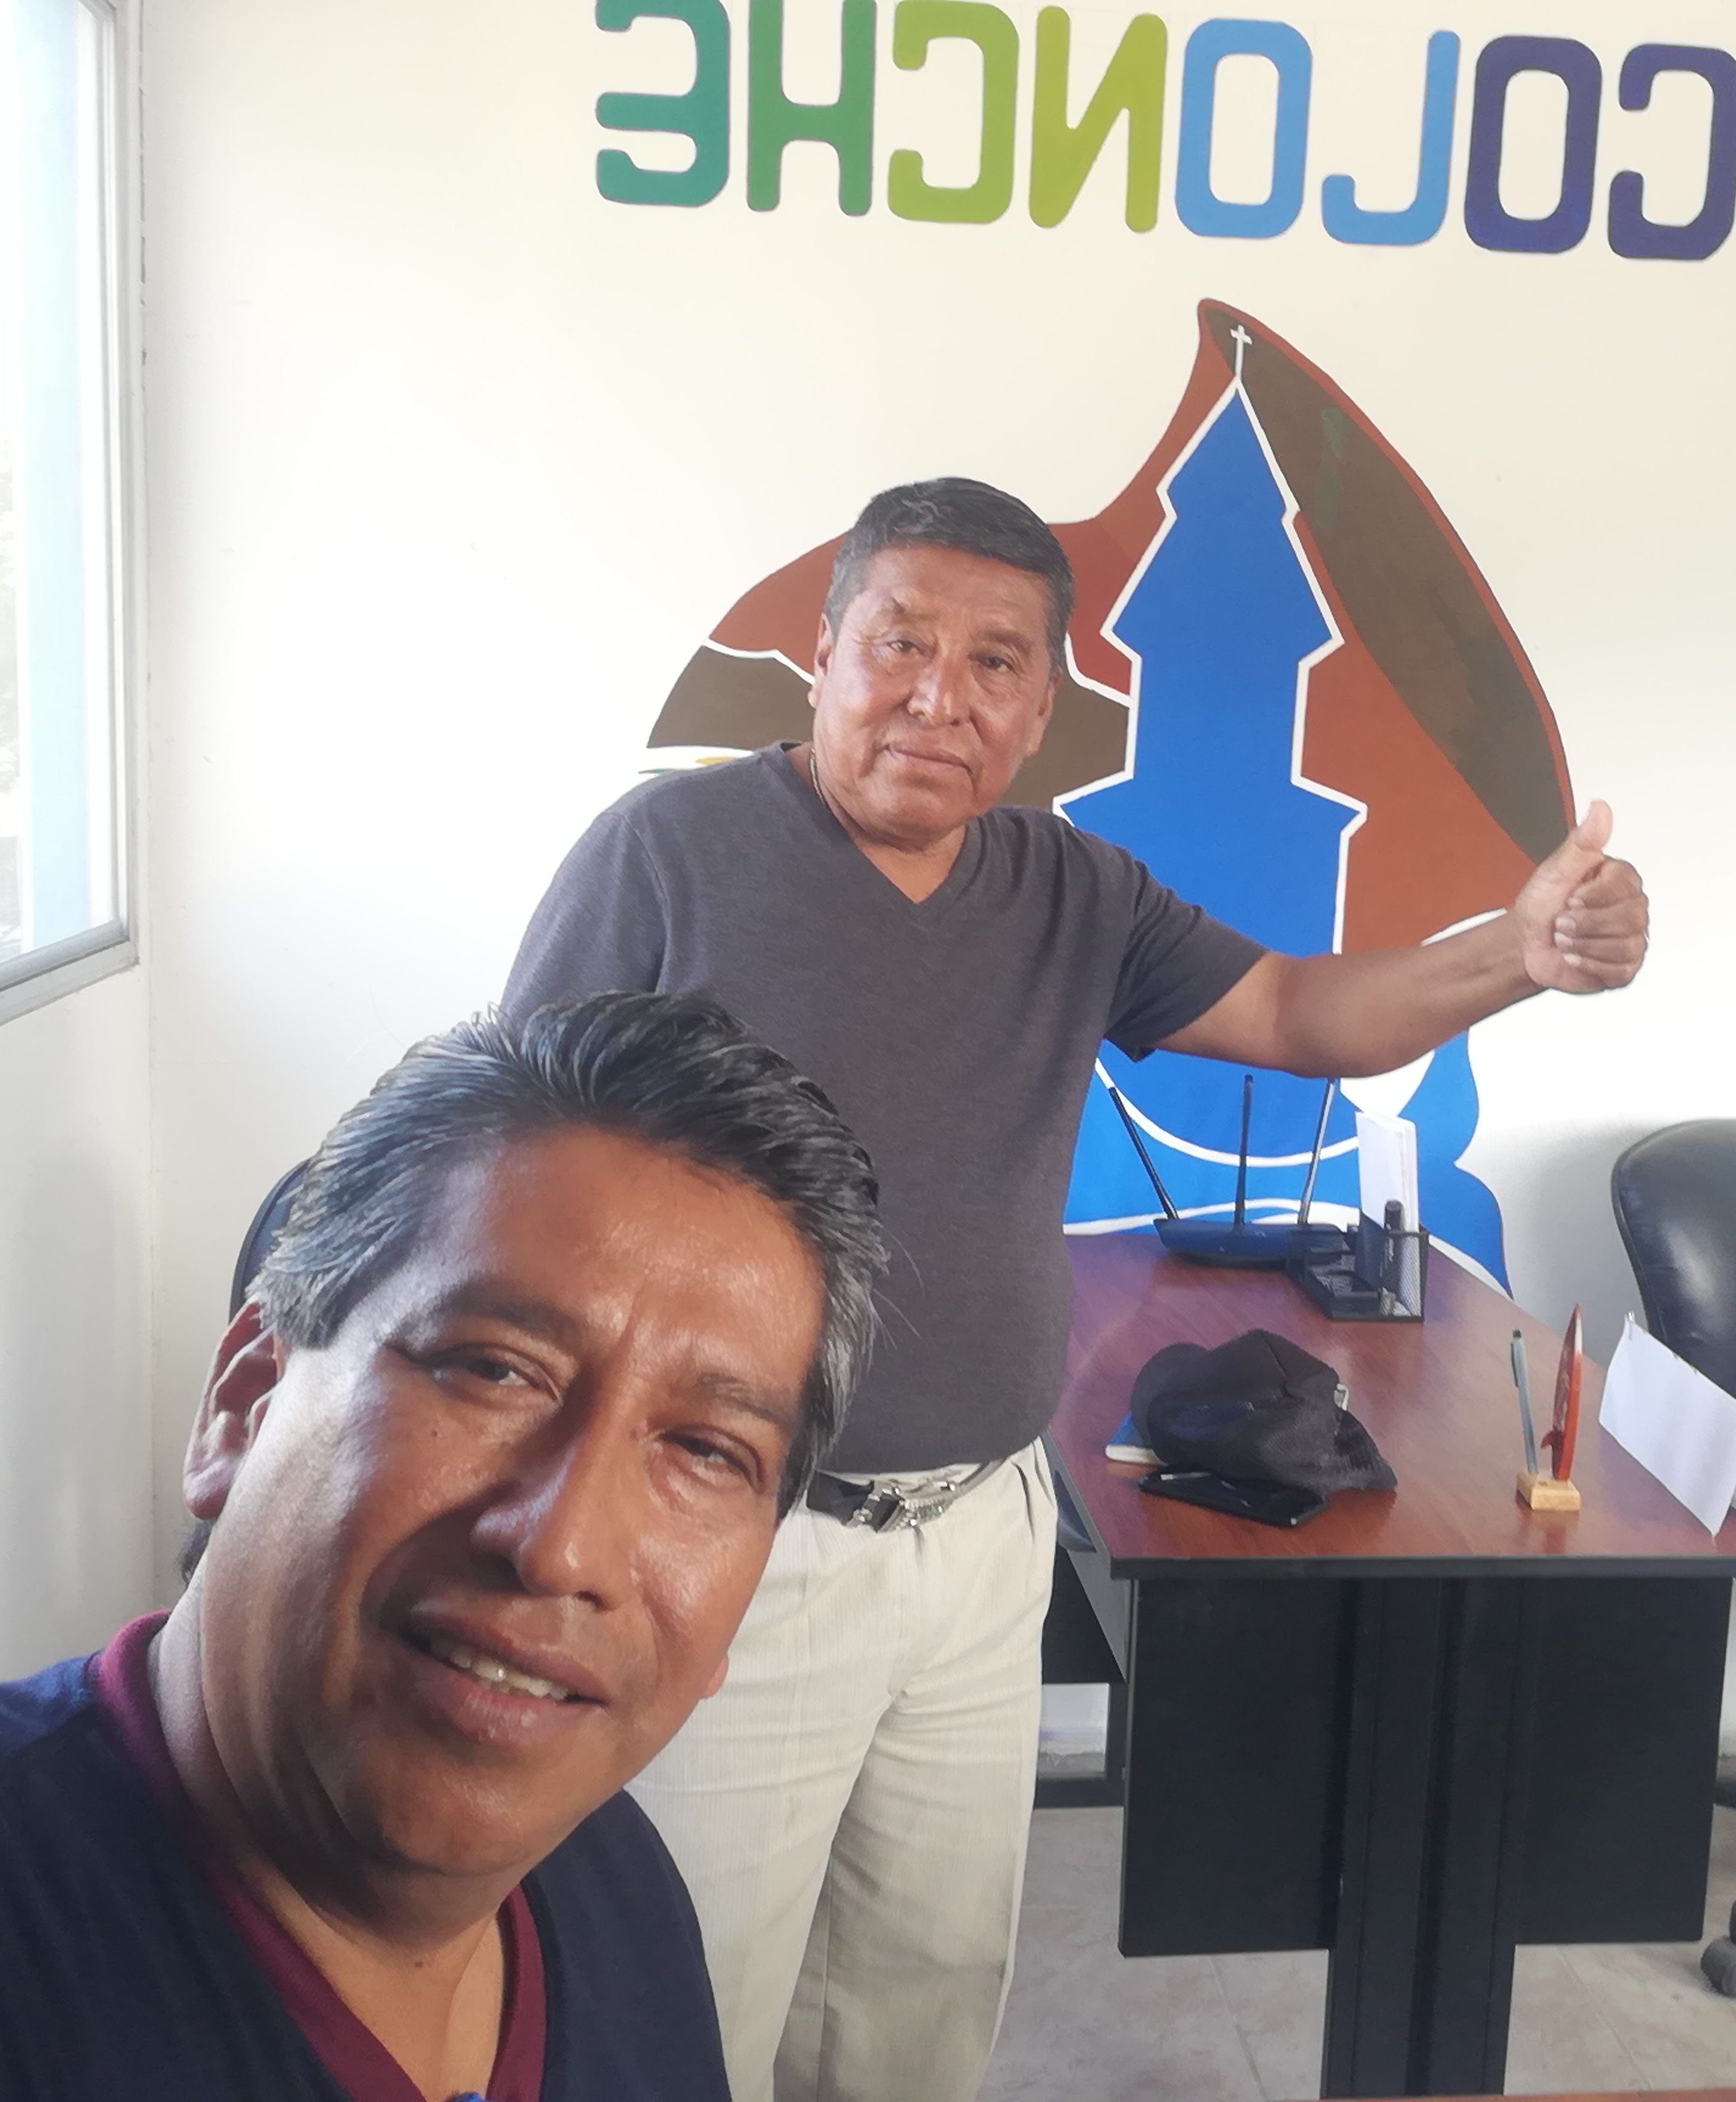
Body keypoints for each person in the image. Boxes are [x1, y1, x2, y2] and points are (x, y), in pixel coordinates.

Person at [503, 478, 1651, 2102]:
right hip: (737, 1540)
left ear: (1042, 709)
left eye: (994, 664)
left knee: (916, 2003)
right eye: (900, 644)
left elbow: (1303, 1015)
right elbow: (517, 1164)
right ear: (823, 654)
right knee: (682, 2006)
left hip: (983, 1538)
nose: (939, 697)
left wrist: (1516, 955)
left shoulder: (1073, 889)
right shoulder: (666, 857)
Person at [0, 992, 884, 2102]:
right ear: (243, 1403)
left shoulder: (616, 1897)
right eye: (491, 1368)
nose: (562, 1548)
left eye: (707, 1451)